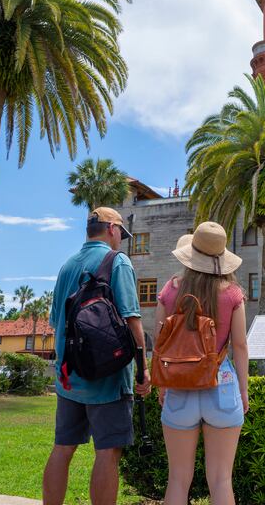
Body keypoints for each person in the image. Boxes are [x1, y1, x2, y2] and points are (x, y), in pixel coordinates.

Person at [42, 207, 150, 505]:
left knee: (62, 448)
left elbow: (55, 322)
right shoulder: (118, 262)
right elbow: (132, 319)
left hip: (69, 376)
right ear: (112, 229)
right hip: (108, 378)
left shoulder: (67, 266)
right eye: (121, 234)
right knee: (108, 452)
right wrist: (143, 370)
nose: (121, 240)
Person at [155, 222, 247, 505]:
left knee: (178, 480)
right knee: (221, 480)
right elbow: (240, 346)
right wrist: (244, 392)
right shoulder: (232, 293)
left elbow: (160, 343)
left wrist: (162, 386)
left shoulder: (170, 291)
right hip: (221, 386)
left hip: (179, 389)